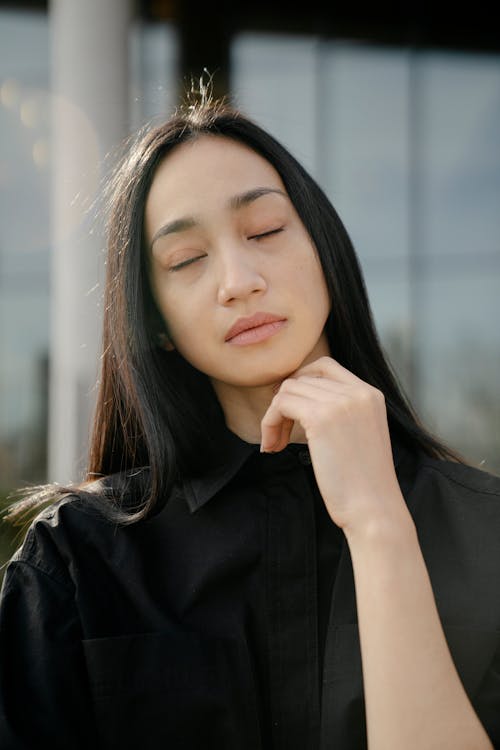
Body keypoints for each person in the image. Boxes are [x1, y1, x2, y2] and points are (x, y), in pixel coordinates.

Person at [0, 88, 499, 750]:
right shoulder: (79, 561)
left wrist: (380, 527)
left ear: (326, 249)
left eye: (265, 231)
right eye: (186, 261)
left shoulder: (484, 531)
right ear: (159, 325)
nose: (238, 279)